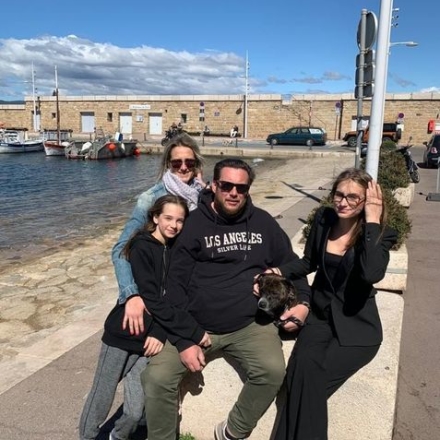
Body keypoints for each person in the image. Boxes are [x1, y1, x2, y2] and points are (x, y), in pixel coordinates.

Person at [141, 158, 311, 440]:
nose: (233, 193)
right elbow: (174, 286)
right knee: (156, 378)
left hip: (250, 324)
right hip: (195, 325)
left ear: (248, 190)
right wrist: (184, 340)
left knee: (272, 371)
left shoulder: (263, 223)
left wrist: (303, 303)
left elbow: (292, 265)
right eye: (226, 185)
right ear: (214, 185)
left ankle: (232, 432)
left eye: (241, 188)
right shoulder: (193, 224)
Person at [267, 167, 398, 440]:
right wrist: (278, 271)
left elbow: (371, 274)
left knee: (308, 384)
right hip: (319, 317)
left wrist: (372, 220)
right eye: (339, 194)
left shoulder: (379, 234)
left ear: (367, 202)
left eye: (353, 197)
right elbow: (309, 262)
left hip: (356, 327)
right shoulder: (324, 219)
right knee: (298, 374)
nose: (343, 202)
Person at [80, 195, 208, 440]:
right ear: (155, 217)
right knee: (102, 396)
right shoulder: (141, 246)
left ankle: (117, 437)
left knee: (135, 411)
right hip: (122, 334)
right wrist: (192, 331)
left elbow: (172, 297)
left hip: (148, 342)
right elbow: (152, 297)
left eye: (180, 220)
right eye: (168, 218)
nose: (174, 225)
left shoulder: (175, 249)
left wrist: (159, 332)